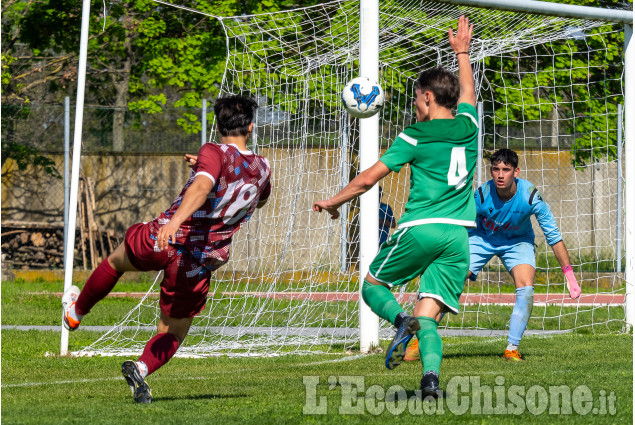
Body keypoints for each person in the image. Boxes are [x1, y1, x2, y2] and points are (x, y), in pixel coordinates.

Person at [61, 96, 271, 403]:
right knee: (172, 331)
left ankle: (76, 312)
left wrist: (175, 222)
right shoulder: (263, 168)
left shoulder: (212, 150)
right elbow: (256, 198)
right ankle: (142, 367)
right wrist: (206, 172)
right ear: (250, 127)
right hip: (199, 261)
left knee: (116, 261)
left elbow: (201, 187)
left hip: (166, 237)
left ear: (218, 125)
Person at [313, 16, 477, 398]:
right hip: (457, 238)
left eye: (416, 97)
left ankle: (400, 321)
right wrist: (463, 53)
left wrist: (333, 201)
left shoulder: (416, 135)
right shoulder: (469, 126)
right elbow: (468, 92)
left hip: (421, 228)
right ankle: (431, 381)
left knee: (372, 285)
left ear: (428, 98)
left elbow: (369, 178)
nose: (414, 104)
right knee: (429, 315)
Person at [403, 148, 582, 363]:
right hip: (482, 239)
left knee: (526, 288)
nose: (500, 174)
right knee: (448, 283)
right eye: (496, 169)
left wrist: (569, 274)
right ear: (490, 171)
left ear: (516, 172)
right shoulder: (481, 195)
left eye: (505, 170)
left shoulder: (531, 196)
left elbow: (553, 235)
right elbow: (458, 222)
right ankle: (419, 338)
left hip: (518, 242)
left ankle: (512, 349)